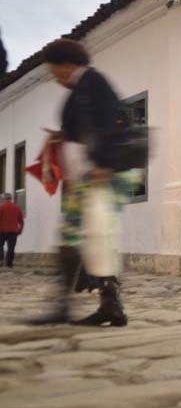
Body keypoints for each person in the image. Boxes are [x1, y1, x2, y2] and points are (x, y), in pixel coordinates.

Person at [25, 39, 137, 327]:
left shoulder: (91, 81)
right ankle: (107, 305)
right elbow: (87, 127)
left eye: (55, 71)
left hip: (104, 173)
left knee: (83, 234)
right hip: (93, 174)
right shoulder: (82, 88)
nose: (56, 78)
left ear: (65, 64)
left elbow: (112, 120)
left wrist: (104, 164)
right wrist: (62, 137)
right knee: (92, 235)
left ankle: (73, 306)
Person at [0, 193, 24, 267]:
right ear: (11, 199)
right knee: (11, 248)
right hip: (13, 231)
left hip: (2, 231)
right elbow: (21, 221)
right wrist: (20, 230)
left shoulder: (1, 207)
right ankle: (9, 263)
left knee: (0, 246)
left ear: (4, 199)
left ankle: (0, 261)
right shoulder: (17, 207)